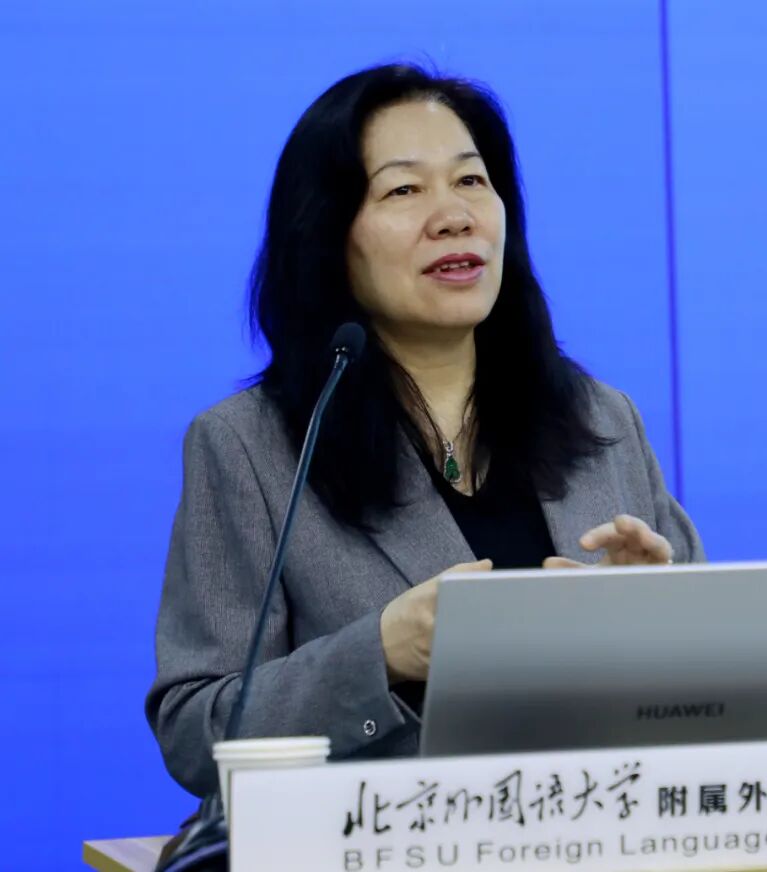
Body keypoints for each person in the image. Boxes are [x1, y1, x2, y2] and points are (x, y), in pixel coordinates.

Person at [146, 63, 705, 798]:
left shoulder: (602, 421)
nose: (454, 216)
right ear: (329, 234)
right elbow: (197, 731)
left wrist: (659, 629)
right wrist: (381, 654)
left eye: (471, 181)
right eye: (404, 190)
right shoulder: (250, 447)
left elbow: (716, 698)